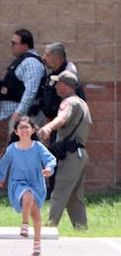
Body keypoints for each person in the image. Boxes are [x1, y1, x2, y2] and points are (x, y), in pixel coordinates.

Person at [37, 70, 91, 230]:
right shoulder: (81, 103)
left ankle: (50, 226)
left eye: (57, 83)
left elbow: (63, 118)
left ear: (64, 85)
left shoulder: (69, 103)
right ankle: (81, 228)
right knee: (74, 196)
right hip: (80, 154)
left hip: (72, 154)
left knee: (60, 191)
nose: (55, 87)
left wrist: (48, 127)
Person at [0, 117, 56, 256]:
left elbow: (50, 159)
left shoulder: (38, 147)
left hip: (36, 183)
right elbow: (4, 164)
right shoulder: (12, 149)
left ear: (33, 130)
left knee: (36, 212)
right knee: (27, 195)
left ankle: (37, 242)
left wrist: (49, 169)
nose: (24, 130)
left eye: (27, 127)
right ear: (15, 131)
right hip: (18, 183)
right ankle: (24, 224)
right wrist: (1, 176)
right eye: (21, 127)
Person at [0, 28, 46, 134]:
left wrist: (19, 113)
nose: (12, 46)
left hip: (27, 118)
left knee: (24, 148)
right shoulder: (24, 60)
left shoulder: (31, 62)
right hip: (21, 117)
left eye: (14, 43)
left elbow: (31, 91)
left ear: (25, 45)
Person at [36, 42, 86, 124]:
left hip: (64, 125)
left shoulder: (69, 78)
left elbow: (74, 104)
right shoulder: (52, 76)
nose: (44, 58)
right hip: (53, 124)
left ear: (56, 59)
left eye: (47, 55)